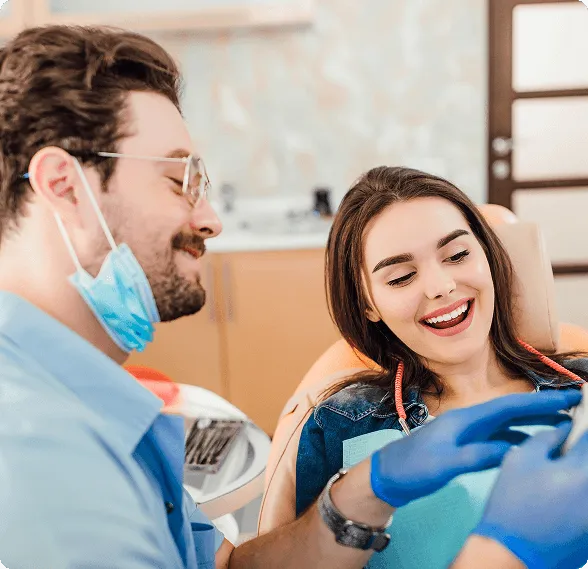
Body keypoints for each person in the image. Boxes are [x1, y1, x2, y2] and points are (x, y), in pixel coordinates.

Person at [0, 23, 585, 569]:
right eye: (178, 180)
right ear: (64, 185)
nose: (209, 219)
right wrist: (507, 548)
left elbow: (229, 566)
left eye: (456, 254)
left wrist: (362, 495)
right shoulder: (35, 457)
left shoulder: (101, 406)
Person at [294, 166, 588, 568]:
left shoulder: (581, 386)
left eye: (458, 255)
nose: (441, 286)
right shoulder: (341, 425)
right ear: (367, 304)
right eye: (401, 277)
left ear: (488, 257)